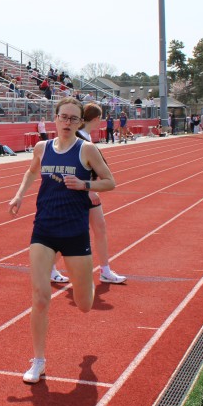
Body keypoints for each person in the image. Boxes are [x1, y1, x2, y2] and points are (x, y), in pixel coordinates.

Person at [8, 98, 117, 383]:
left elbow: (110, 181)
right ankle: (39, 361)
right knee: (40, 296)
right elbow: (32, 170)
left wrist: (85, 185)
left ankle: (86, 282)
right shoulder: (42, 148)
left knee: (84, 304)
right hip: (43, 230)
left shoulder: (87, 149)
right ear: (55, 118)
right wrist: (19, 195)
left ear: (80, 122)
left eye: (73, 118)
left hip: (75, 232)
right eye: (63, 117)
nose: (67, 122)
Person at [77, 103, 127, 284]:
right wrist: (89, 189)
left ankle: (105, 270)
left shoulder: (86, 137)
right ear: (96, 119)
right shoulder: (78, 138)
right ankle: (49, 267)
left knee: (100, 229)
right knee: (72, 233)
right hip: (79, 193)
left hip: (88, 190)